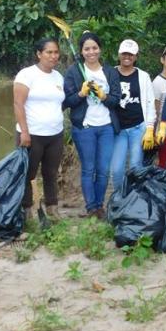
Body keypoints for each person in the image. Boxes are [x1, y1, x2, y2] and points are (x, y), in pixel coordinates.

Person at [63, 32, 122, 219]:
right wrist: (81, 94)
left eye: (94, 48)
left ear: (100, 49)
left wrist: (104, 96)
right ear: (81, 51)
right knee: (89, 169)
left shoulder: (110, 72)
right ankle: (91, 207)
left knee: (103, 170)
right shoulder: (74, 72)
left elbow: (116, 100)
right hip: (85, 128)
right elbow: (67, 102)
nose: (91, 52)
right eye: (87, 49)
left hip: (106, 127)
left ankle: (99, 206)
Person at [13, 38, 65, 220]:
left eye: (56, 52)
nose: (53, 56)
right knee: (28, 173)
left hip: (55, 134)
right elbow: (18, 104)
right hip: (32, 134)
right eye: (49, 52)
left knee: (51, 173)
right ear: (39, 54)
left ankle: (52, 208)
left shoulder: (58, 77)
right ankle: (27, 211)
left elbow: (59, 103)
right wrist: (24, 132)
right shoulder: (26, 75)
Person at [109, 39, 156, 192]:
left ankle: (136, 197)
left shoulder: (143, 76)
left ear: (136, 56)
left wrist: (150, 128)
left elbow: (150, 103)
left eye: (131, 54)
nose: (127, 57)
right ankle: (119, 197)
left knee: (136, 166)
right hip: (118, 129)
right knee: (117, 169)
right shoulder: (110, 73)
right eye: (124, 53)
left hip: (138, 127)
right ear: (119, 54)